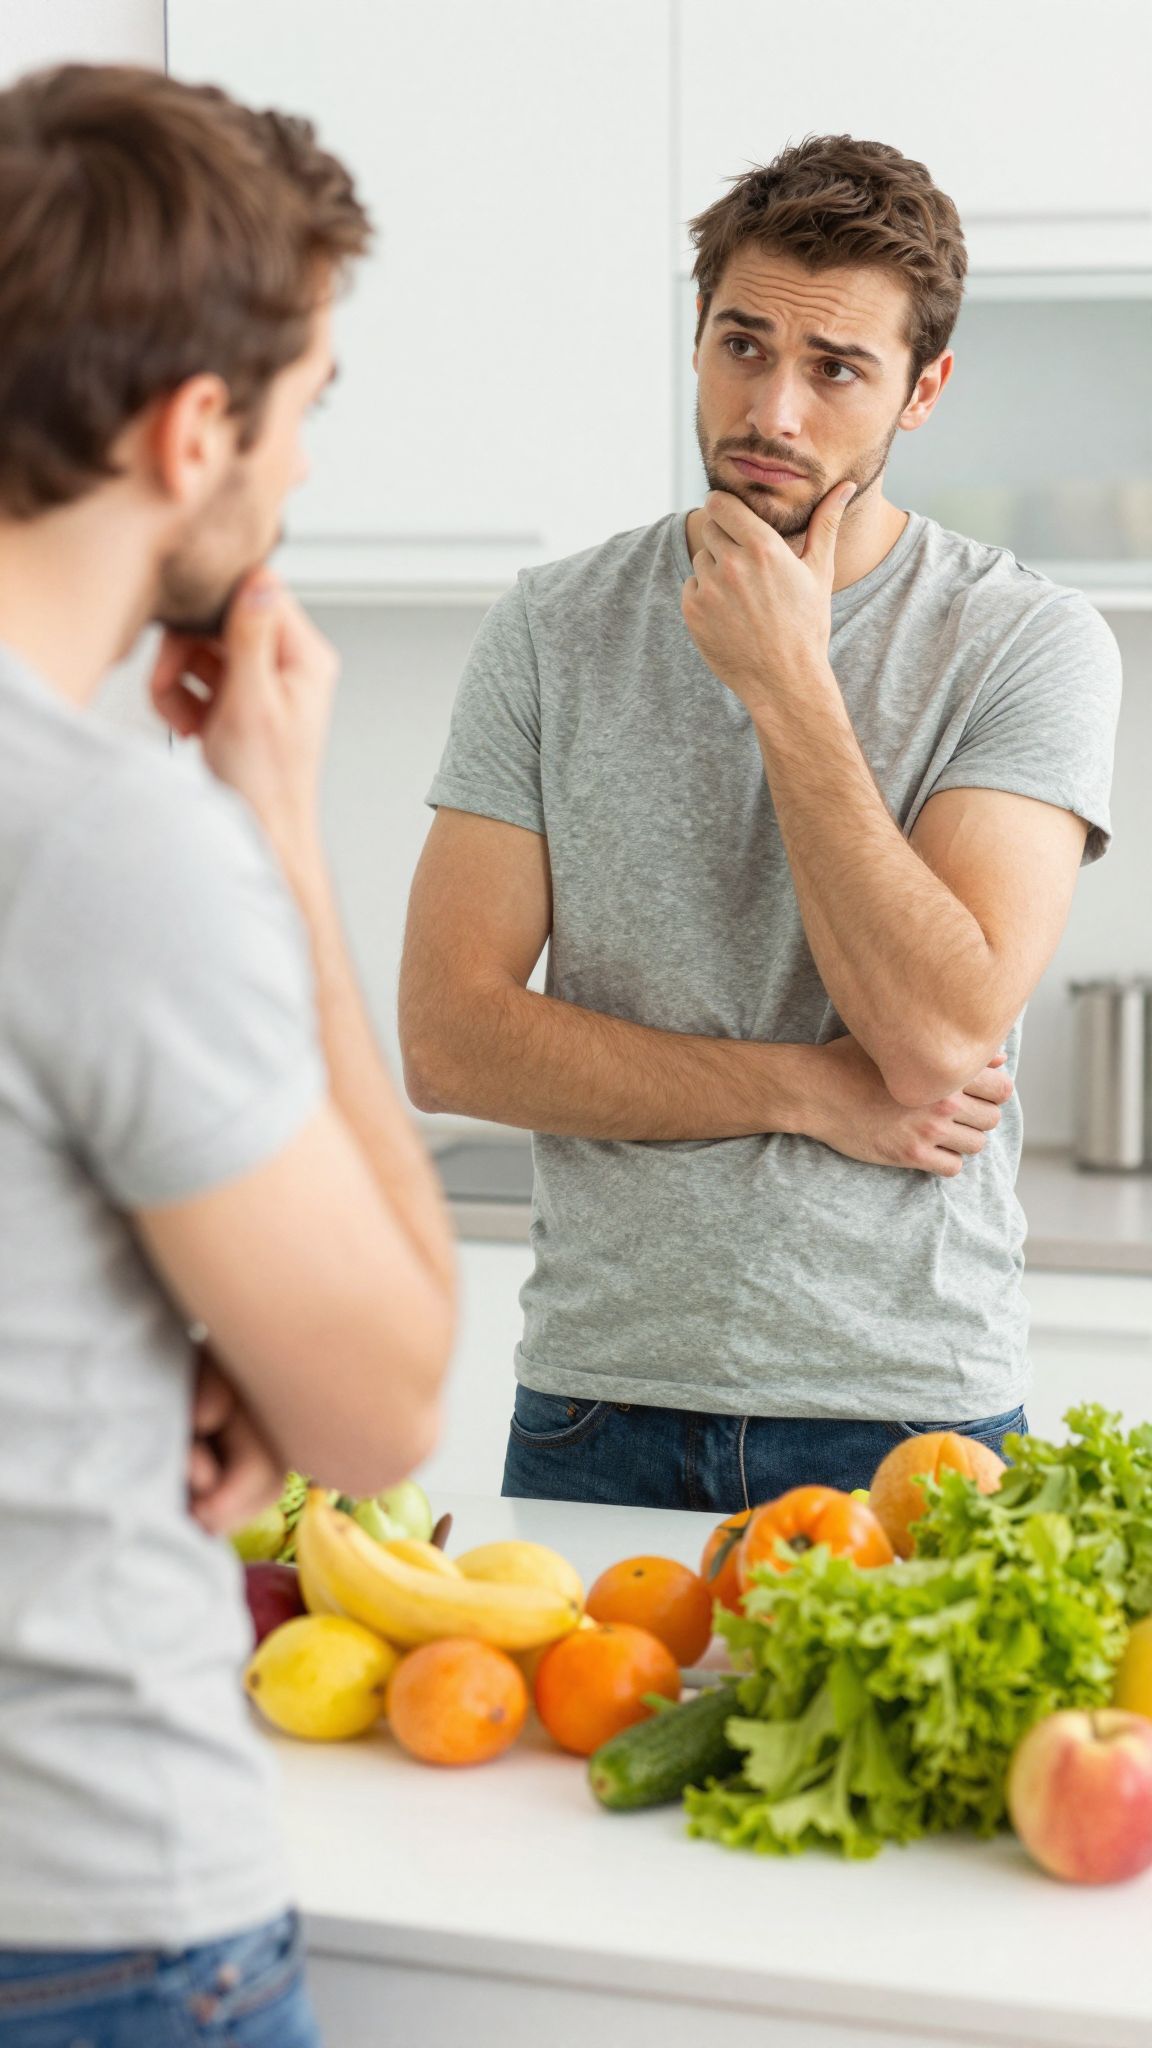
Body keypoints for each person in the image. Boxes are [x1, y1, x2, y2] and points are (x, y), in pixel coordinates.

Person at [399, 134, 1121, 1513]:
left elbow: (931, 1035)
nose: (772, 409)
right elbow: (449, 1037)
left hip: (909, 1419)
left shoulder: (1030, 641)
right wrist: (804, 1091)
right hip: (597, 1404)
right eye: (742, 344)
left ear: (926, 391)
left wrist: (792, 684)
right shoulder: (554, 628)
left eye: (836, 369)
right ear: (697, 335)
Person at [0, 64, 456, 2045]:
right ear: (195, 432)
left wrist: (166, 1320)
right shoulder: (103, 840)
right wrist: (278, 837)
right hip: (86, 1916)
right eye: (306, 413)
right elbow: (385, 1402)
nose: (296, 476)